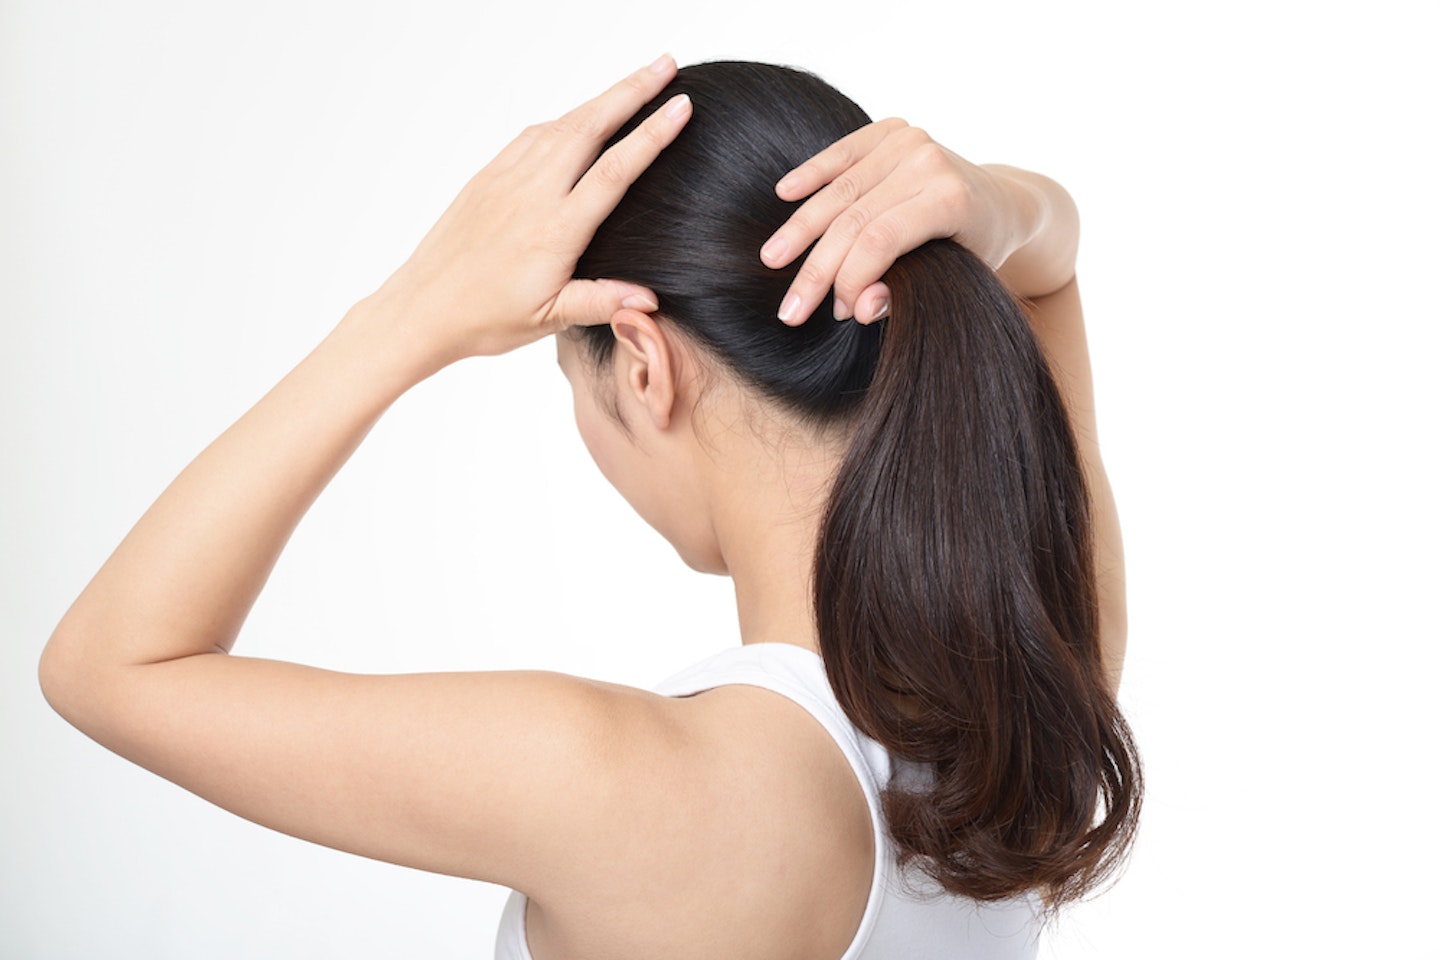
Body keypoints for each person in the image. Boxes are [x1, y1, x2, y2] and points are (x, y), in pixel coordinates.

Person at [39, 55, 1140, 959]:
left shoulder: (625, 782)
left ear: (645, 363)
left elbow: (111, 667)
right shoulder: (1035, 700)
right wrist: (998, 203)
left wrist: (409, 312)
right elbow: (1049, 271)